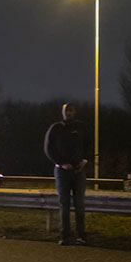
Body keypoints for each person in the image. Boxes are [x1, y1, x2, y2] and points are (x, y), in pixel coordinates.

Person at [44, 103, 91, 245]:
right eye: (66, 110)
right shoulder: (55, 128)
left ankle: (81, 235)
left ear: (74, 112)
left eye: (70, 110)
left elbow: (89, 144)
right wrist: (61, 163)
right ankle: (65, 236)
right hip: (62, 171)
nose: (68, 113)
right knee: (64, 204)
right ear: (62, 112)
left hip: (78, 171)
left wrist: (84, 160)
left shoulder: (81, 127)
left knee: (79, 204)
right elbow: (48, 149)